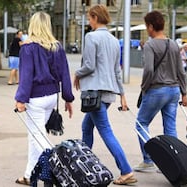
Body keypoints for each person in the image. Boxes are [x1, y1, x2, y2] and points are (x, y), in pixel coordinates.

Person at [73, 4, 137, 185]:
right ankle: (85, 164)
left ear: (94, 17)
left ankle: (126, 171)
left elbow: (89, 65)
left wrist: (77, 73)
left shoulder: (91, 37)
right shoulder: (114, 40)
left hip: (94, 93)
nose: (88, 21)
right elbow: (117, 71)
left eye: (89, 17)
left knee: (106, 131)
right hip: (108, 94)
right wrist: (122, 94)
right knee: (87, 127)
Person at [14, 11, 74, 186]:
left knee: (38, 138)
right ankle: (28, 174)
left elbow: (26, 76)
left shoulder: (28, 48)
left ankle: (58, 170)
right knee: (34, 136)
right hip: (52, 96)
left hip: (35, 98)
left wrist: (20, 99)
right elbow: (65, 74)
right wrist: (68, 98)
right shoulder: (57, 47)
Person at [134, 11, 187, 172]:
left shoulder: (150, 45)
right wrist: (184, 93)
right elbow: (181, 71)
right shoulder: (173, 44)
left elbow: (149, 70)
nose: (146, 29)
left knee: (141, 123)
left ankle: (148, 159)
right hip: (174, 91)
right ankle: (174, 160)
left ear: (151, 26)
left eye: (146, 26)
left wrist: (144, 87)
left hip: (157, 90)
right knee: (170, 126)